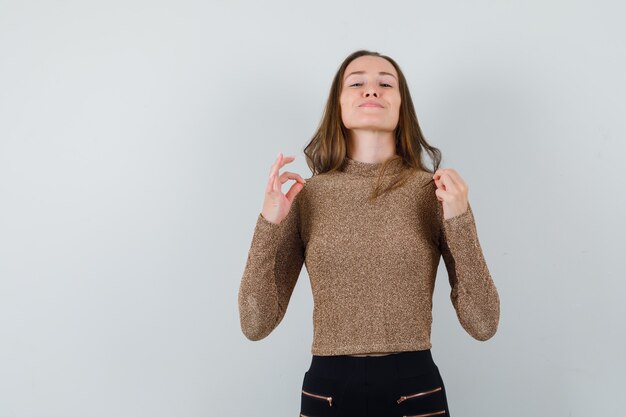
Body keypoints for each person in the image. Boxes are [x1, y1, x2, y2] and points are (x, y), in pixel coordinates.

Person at [237, 49, 501, 417]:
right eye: (357, 82)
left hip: (414, 389)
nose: (371, 91)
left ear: (400, 106)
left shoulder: (436, 193)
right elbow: (255, 323)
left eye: (385, 84)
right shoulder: (307, 196)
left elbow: (484, 323)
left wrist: (460, 220)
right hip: (328, 391)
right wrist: (268, 223)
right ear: (339, 106)